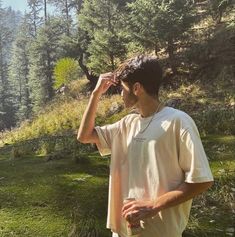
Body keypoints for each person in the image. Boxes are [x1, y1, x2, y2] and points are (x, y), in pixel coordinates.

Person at [77, 55, 214, 237]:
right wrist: (95, 94)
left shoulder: (178, 122)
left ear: (136, 88)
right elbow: (85, 136)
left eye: (122, 88)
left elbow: (202, 180)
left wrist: (153, 205)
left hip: (161, 232)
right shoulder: (126, 124)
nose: (120, 94)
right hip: (123, 232)